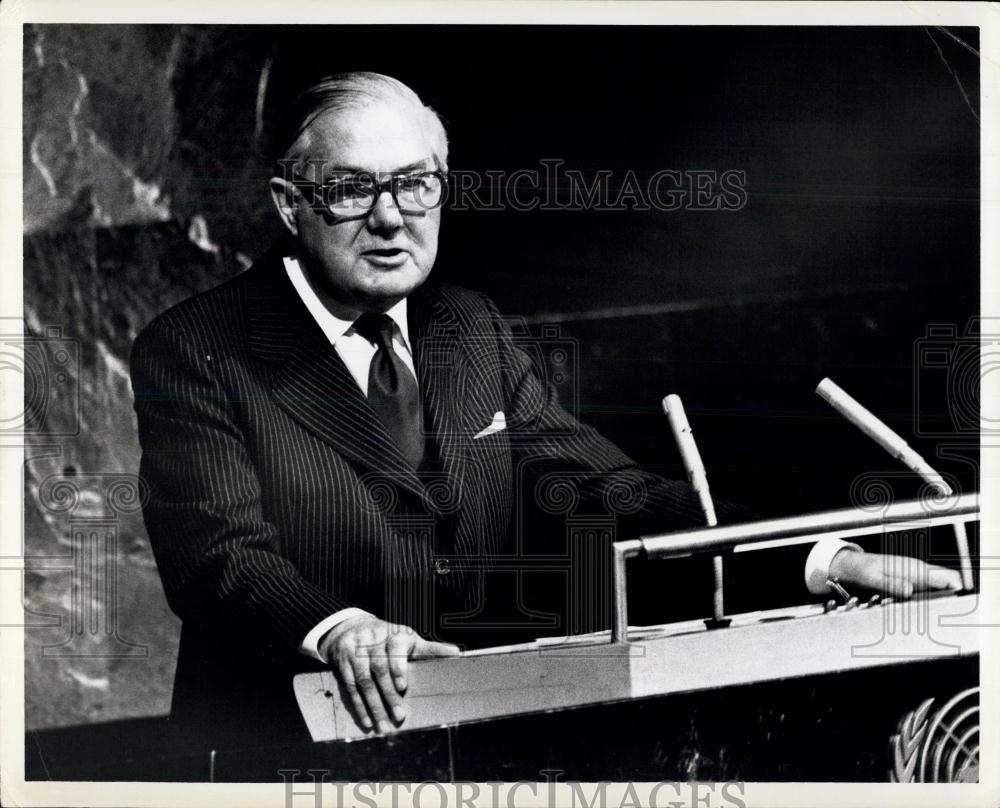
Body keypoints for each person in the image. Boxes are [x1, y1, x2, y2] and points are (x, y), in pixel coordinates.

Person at [130, 72, 963, 747]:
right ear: (289, 206)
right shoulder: (197, 345)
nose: (390, 218)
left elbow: (609, 493)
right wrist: (342, 628)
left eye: (416, 185)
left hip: (467, 745)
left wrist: (820, 560)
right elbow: (218, 555)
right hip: (276, 751)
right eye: (351, 190)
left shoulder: (469, 327)